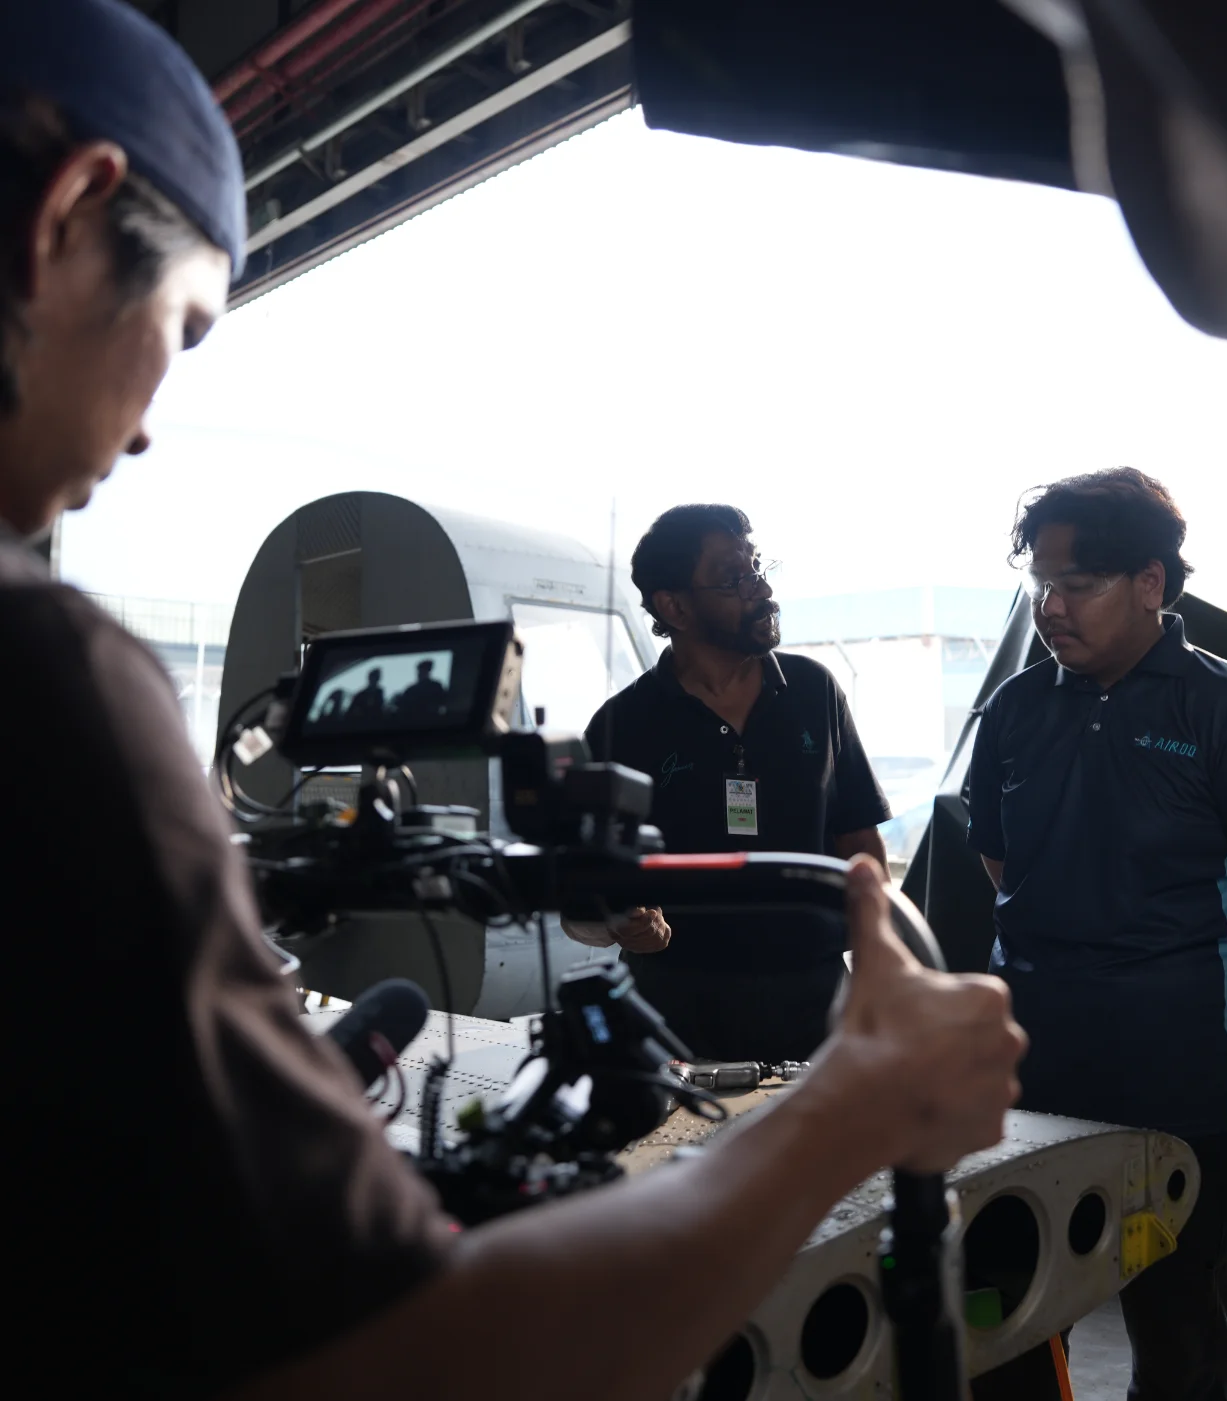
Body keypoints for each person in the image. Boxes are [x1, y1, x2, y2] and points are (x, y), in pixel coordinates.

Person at [1, 5, 1025, 1398]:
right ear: (71, 212)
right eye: (180, 330)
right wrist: (863, 1108)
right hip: (693, 1030)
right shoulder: (49, 679)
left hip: (795, 1007)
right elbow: (419, 1358)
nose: (140, 429)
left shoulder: (811, 694)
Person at [966, 468, 1227, 1401]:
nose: (1050, 607)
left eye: (1077, 584)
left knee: (1179, 1342)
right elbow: (1004, 864)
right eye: (1039, 583)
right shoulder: (1013, 711)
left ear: (1149, 582)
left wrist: (1220, 1010)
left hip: (1186, 1093)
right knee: (1004, 1326)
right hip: (1029, 1083)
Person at [575, 504, 894, 1060]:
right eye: (734, 578)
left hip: (818, 1000)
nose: (761, 589)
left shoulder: (815, 692)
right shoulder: (620, 725)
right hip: (673, 1009)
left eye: (757, 568)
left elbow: (860, 844)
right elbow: (583, 895)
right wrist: (621, 921)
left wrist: (882, 963)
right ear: (674, 606)